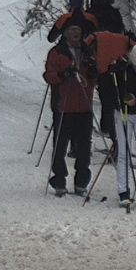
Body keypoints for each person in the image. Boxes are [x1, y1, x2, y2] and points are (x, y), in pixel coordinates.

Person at [98, 44, 136, 208]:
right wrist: (110, 73)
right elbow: (109, 89)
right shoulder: (122, 71)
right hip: (123, 115)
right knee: (123, 153)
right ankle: (123, 192)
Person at [42, 18, 99, 196]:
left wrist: (93, 70)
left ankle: (81, 182)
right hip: (63, 106)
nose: (76, 33)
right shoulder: (57, 52)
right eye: (72, 29)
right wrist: (63, 74)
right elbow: (48, 76)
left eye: (78, 30)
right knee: (60, 146)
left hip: (84, 106)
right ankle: (59, 180)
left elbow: (95, 78)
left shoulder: (88, 52)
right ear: (65, 33)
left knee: (84, 148)